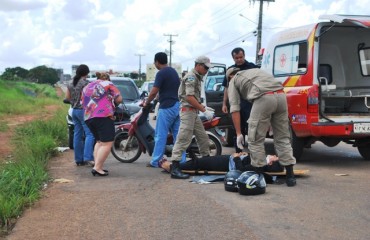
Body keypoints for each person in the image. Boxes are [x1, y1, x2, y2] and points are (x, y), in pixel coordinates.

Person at [226, 67, 297, 187]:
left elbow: (234, 108)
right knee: (282, 137)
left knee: (255, 139)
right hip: (281, 96)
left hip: (264, 98)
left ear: (230, 77)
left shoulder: (234, 80)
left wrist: (238, 133)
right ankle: (290, 176)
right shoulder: (256, 72)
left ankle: (258, 176)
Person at [170, 56, 214, 179]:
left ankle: (206, 162)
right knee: (183, 139)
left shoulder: (197, 77)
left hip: (193, 112)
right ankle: (175, 167)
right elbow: (189, 98)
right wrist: (204, 110)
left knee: (203, 138)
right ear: (198, 65)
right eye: (205, 67)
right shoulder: (191, 77)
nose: (206, 70)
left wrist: (202, 107)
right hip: (188, 112)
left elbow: (192, 98)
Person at [143, 52, 185, 167]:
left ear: (157, 62)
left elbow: (154, 91)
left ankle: (156, 161)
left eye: (154, 62)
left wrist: (147, 102)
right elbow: (168, 89)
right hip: (177, 106)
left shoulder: (161, 73)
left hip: (167, 107)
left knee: (160, 135)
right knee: (178, 136)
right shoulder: (173, 72)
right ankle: (181, 161)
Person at [81, 72, 122, 176]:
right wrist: (114, 102)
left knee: (99, 142)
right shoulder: (108, 84)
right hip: (103, 116)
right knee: (107, 143)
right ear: (107, 78)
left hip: (88, 117)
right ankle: (97, 168)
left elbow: (82, 102)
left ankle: (98, 165)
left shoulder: (88, 86)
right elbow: (119, 99)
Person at [221, 47, 259, 153]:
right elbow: (226, 88)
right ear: (233, 58)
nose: (239, 60)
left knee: (252, 128)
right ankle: (239, 153)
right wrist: (224, 103)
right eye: (236, 58)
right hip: (236, 103)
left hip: (250, 103)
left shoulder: (252, 67)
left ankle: (253, 153)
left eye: (241, 57)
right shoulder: (230, 70)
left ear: (244, 56)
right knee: (237, 130)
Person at [65, 64, 95, 166]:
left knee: (77, 134)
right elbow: (91, 97)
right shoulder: (86, 83)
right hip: (84, 111)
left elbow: (67, 98)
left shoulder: (70, 83)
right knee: (89, 134)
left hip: (74, 111)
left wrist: (75, 101)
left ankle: (78, 159)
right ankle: (88, 157)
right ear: (86, 73)